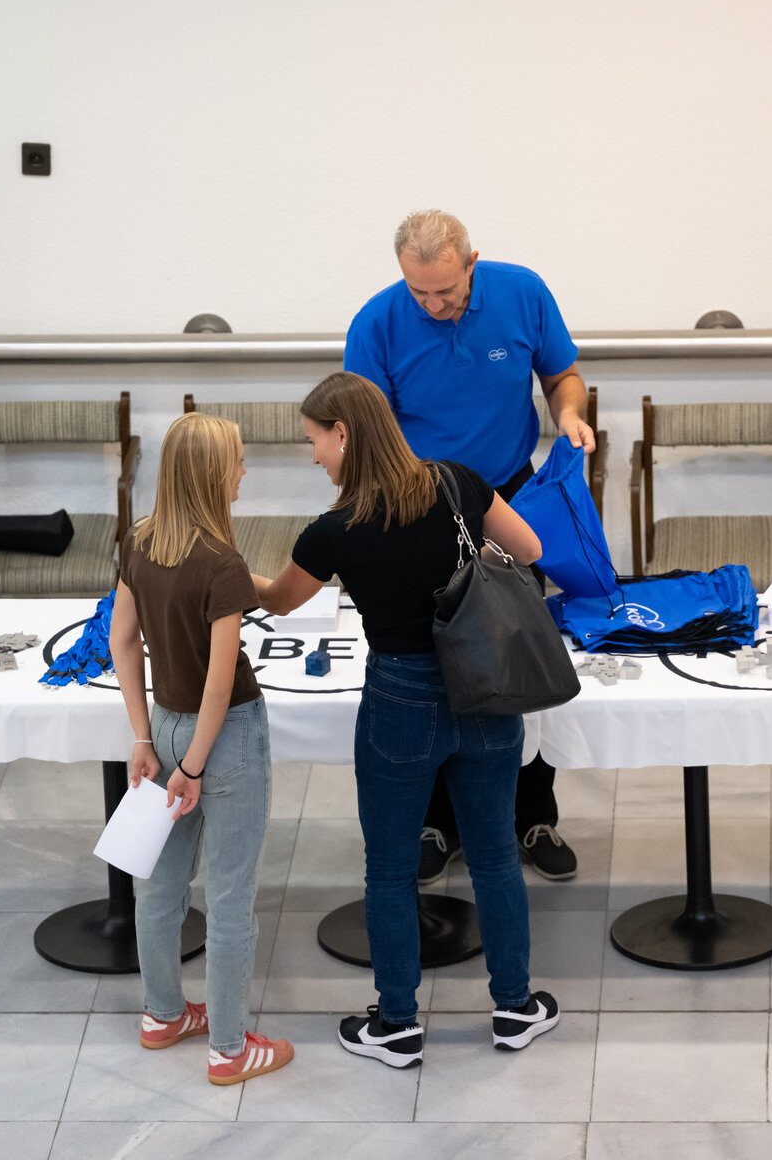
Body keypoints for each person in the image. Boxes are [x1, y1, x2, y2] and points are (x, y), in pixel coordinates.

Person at [256, 371, 562, 1068]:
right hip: (484, 688)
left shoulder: (334, 531)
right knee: (494, 854)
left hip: (400, 698)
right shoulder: (458, 482)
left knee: (390, 868)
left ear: (343, 433)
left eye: (314, 441)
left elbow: (279, 601)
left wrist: (223, 573)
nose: (314, 457)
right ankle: (515, 1008)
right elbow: (530, 551)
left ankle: (396, 1023)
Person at [344, 209, 590, 884]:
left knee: (521, 657)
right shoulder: (376, 324)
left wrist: (570, 414)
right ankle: (438, 823)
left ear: (472, 263)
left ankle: (532, 816)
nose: (433, 304)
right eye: (419, 292)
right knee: (433, 667)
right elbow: (365, 433)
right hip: (419, 499)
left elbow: (562, 376)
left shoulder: (522, 292)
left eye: (447, 291)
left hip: (508, 492)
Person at [107, 412, 294, 1086]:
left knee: (159, 886)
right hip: (227, 736)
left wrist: (144, 736)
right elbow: (220, 681)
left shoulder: (139, 542)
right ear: (214, 474)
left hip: (162, 725)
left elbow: (122, 641)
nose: (243, 472)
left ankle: (162, 1015)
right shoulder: (221, 561)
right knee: (231, 895)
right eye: (238, 461)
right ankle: (229, 1049)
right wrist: (194, 766)